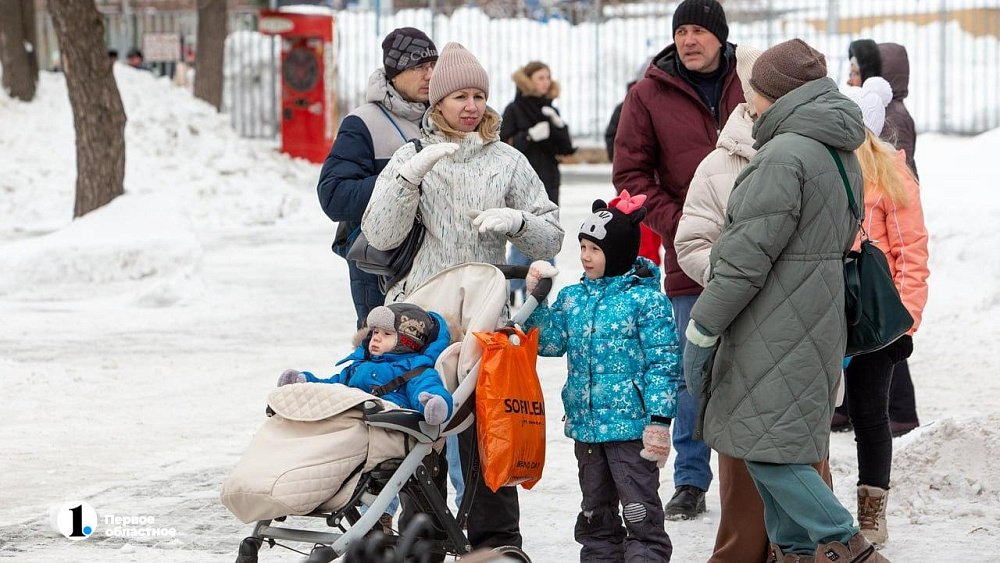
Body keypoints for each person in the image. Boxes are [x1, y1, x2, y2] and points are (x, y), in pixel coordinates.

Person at [682, 39, 888, 562]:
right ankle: (793, 552)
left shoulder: (782, 156)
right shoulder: (837, 149)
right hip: (814, 316)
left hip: (773, 324)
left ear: (775, 94)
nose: (749, 102)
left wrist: (703, 330)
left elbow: (740, 263)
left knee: (770, 454)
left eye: (754, 92)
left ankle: (848, 544)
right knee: (775, 447)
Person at [362, 42, 564, 549]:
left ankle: (495, 544)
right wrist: (409, 177)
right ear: (437, 103)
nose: (470, 106)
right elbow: (380, 233)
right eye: (458, 97)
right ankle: (420, 542)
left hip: (485, 317)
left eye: (478, 95)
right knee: (420, 434)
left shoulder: (508, 161)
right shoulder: (412, 155)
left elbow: (553, 236)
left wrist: (517, 221)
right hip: (418, 320)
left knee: (486, 435)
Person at [612, 0, 744, 520]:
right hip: (690, 259)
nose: (689, 40)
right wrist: (682, 224)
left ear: (720, 37)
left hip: (762, 250)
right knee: (693, 369)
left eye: (698, 31)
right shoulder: (646, 95)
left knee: (758, 362)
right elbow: (631, 177)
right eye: (681, 31)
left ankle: (756, 474)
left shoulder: (750, 81)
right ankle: (691, 479)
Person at [523, 192, 679, 562]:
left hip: (631, 432)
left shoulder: (646, 301)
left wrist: (659, 421)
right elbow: (549, 342)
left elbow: (664, 363)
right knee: (595, 518)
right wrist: (536, 301)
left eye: (594, 248)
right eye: (582, 246)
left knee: (641, 514)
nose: (584, 256)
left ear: (620, 251)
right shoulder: (574, 297)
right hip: (587, 429)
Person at [839, 77, 929, 549]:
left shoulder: (891, 176)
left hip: (875, 320)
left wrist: (907, 321)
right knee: (816, 415)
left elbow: (912, 252)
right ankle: (819, 509)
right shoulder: (823, 166)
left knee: (870, 415)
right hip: (827, 313)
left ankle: (872, 509)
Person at [277, 302, 453, 534]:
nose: (376, 339)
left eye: (387, 334)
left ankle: (376, 517)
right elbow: (333, 386)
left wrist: (436, 403)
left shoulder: (416, 370)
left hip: (385, 437)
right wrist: (305, 382)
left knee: (350, 460)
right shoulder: (358, 367)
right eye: (375, 332)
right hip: (352, 433)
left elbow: (432, 389)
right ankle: (285, 488)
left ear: (408, 341)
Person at [317, 28, 438, 328]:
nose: (430, 74)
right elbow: (334, 196)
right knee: (384, 361)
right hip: (381, 269)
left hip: (437, 263)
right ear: (395, 72)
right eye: (419, 66)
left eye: (434, 65)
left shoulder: (444, 117)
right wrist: (401, 183)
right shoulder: (363, 123)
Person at [500, 61, 574, 303]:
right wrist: (529, 136)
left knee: (548, 240)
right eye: (541, 77)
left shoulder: (550, 109)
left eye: (548, 77)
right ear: (528, 80)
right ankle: (511, 290)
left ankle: (540, 294)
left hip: (548, 182)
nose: (546, 82)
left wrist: (558, 127)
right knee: (523, 240)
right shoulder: (514, 109)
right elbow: (503, 145)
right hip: (522, 184)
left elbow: (565, 148)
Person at [605, 80, 662, 267]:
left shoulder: (665, 106)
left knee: (654, 242)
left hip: (660, 185)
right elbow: (612, 137)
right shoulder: (625, 107)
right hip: (634, 189)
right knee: (638, 239)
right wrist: (622, 161)